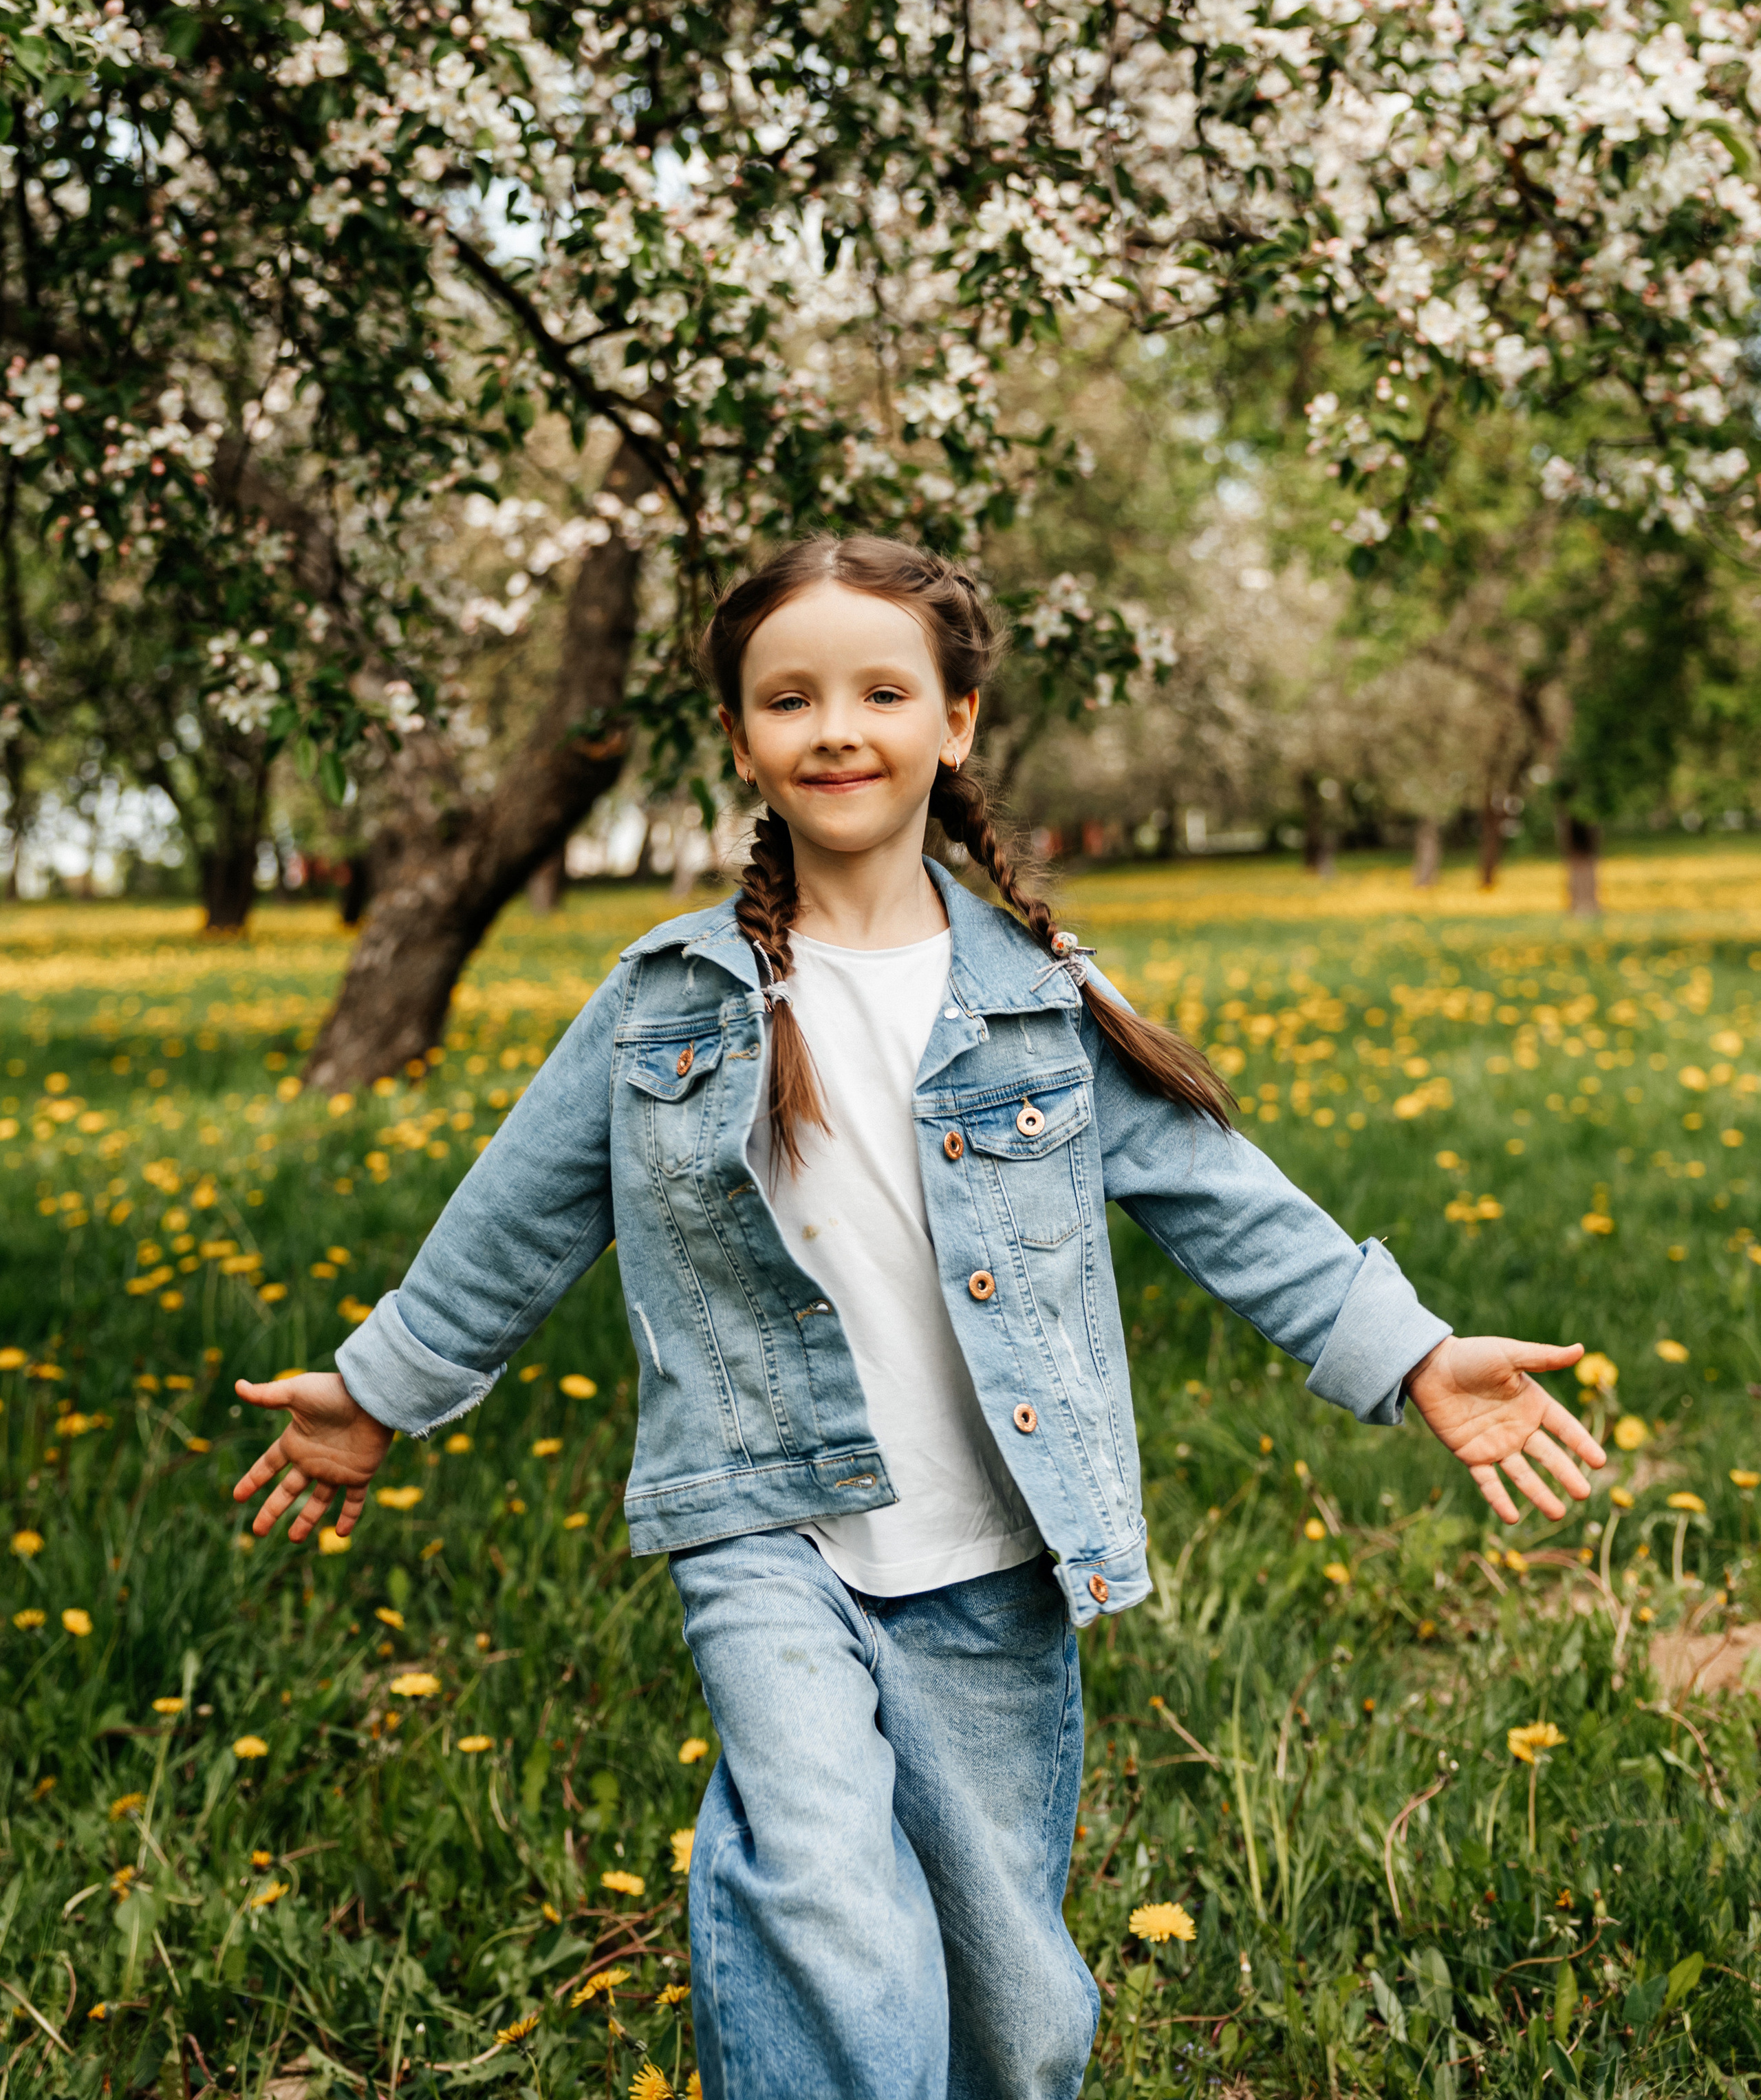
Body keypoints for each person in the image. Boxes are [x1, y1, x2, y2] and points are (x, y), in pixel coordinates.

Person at [234, 533, 1606, 2100]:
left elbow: (1225, 1200)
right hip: (766, 1525)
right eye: (790, 698)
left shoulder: (1041, 999)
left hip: (995, 1549)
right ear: (742, 741)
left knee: (1009, 1997)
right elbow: (516, 1219)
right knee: (817, 1885)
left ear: (953, 722)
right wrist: (376, 1392)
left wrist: (1411, 1354)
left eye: (881, 690)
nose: (836, 728)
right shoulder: (665, 1001)